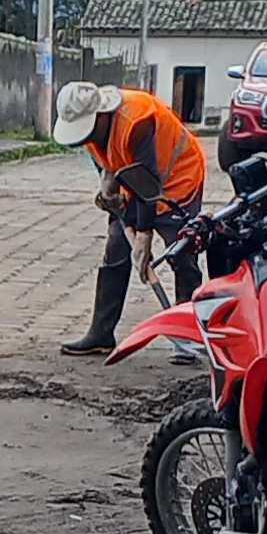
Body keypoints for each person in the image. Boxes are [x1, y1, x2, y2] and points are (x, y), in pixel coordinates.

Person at [51, 77, 211, 354]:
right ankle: (100, 333)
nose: (85, 138)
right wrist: (109, 183)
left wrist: (144, 234)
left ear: (101, 113)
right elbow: (109, 163)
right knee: (116, 246)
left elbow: (147, 185)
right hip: (135, 184)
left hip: (177, 178)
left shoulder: (137, 122)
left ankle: (189, 335)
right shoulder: (90, 130)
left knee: (182, 250)